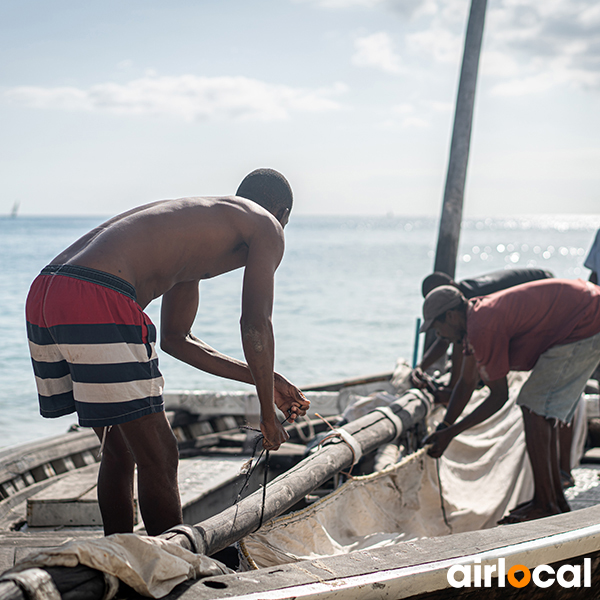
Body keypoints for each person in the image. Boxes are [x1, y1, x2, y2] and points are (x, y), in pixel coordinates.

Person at [25, 168, 310, 537]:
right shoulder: (267, 226)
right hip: (99, 294)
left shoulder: (199, 223)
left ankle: (122, 557)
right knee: (160, 456)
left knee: (119, 449)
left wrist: (269, 381)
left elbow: (177, 339)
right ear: (282, 214)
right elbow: (255, 324)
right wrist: (267, 413)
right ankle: (171, 574)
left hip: (47, 293)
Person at [421, 279, 600, 523]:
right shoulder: (475, 319)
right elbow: (466, 383)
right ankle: (554, 499)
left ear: (451, 316)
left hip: (587, 319)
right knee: (537, 408)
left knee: (532, 406)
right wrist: (445, 427)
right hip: (586, 312)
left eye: (437, 328)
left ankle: (545, 503)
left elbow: (498, 397)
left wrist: (452, 432)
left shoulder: (482, 327)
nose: (438, 335)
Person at [411, 268, 554, 402]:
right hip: (539, 293)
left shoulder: (471, 300)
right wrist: (420, 367)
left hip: (545, 289)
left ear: (451, 285)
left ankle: (453, 387)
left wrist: (452, 389)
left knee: (464, 337)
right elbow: (445, 339)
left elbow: (457, 340)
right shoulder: (458, 300)